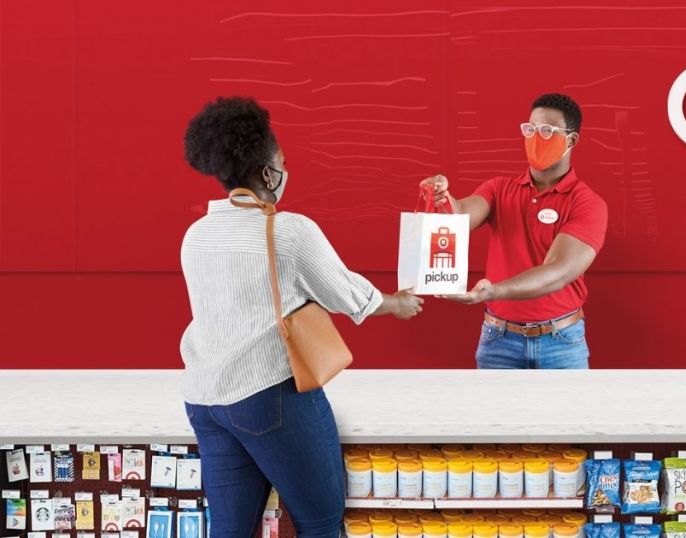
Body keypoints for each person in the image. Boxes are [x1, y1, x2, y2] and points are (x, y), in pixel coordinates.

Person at [180, 96, 422, 537]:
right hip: (269, 396)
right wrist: (397, 303)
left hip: (204, 400)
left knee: (229, 531)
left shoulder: (196, 234)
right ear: (267, 172)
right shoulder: (288, 230)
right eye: (282, 163)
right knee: (321, 524)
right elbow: (347, 295)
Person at [420, 93, 608, 369]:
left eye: (547, 130)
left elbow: (557, 272)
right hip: (499, 341)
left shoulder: (587, 203)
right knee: (495, 414)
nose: (536, 137)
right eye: (530, 129)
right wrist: (443, 198)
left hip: (562, 343)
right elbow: (458, 220)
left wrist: (493, 292)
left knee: (566, 414)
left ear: (571, 140)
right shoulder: (498, 189)